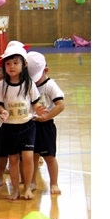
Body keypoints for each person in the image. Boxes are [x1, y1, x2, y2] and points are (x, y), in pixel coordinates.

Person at [0, 42, 40, 201]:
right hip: (9, 127)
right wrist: (2, 111)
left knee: (27, 157)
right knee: (12, 160)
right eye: (8, 64)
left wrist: (39, 109)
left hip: (27, 126)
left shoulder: (29, 84)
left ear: (24, 65)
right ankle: (15, 189)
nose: (11, 66)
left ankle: (27, 188)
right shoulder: (1, 85)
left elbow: (36, 102)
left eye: (15, 63)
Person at [28, 51, 65, 194]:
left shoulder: (50, 85)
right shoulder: (28, 85)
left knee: (49, 157)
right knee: (33, 156)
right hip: (31, 125)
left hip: (46, 127)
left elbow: (60, 105)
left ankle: (54, 183)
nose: (34, 81)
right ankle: (32, 181)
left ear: (46, 70)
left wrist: (47, 117)